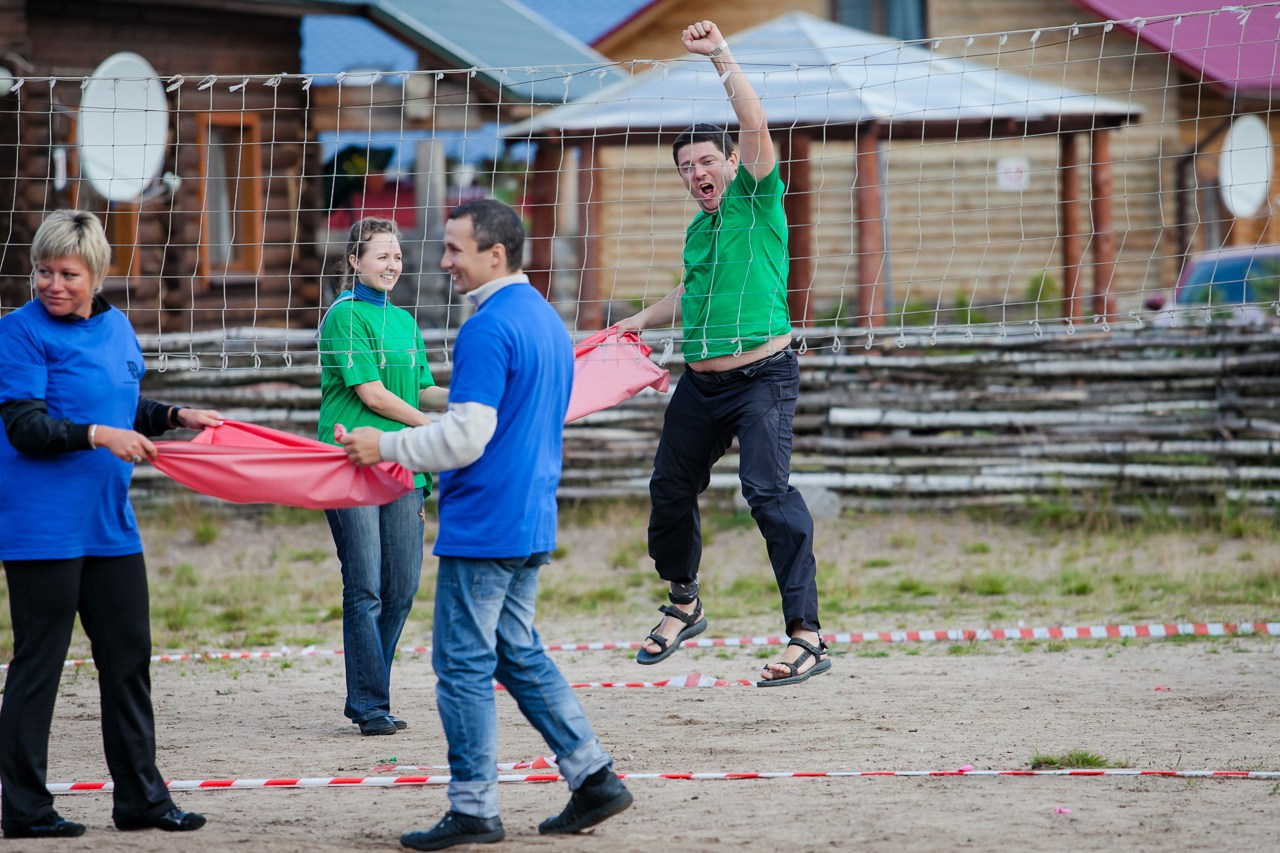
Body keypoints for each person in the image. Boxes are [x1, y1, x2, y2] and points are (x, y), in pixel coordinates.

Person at [340, 198, 632, 850]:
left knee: (462, 663)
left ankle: (473, 806)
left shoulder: (487, 327)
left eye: (453, 249)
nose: (442, 261)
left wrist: (379, 447)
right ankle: (593, 776)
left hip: (487, 522)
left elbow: (468, 438)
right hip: (530, 516)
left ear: (493, 255)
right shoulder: (545, 320)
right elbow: (506, 409)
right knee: (515, 651)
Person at [616, 20, 831, 687]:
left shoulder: (756, 197)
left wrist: (720, 58)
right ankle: (683, 600)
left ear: (731, 163)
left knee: (767, 493)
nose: (696, 173)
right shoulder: (699, 228)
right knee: (668, 491)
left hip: (764, 375)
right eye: (685, 167)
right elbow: (691, 294)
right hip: (700, 383)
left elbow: (755, 122)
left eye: (705, 160)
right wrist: (637, 321)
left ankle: (807, 635)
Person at [0, 210, 220, 838]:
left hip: (109, 524)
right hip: (42, 527)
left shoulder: (118, 328)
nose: (52, 283)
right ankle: (25, 809)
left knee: (128, 659)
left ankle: (141, 801)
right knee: (38, 664)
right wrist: (100, 436)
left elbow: (123, 408)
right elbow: (27, 427)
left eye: (67, 273)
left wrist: (177, 413)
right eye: (43, 271)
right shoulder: (17, 333)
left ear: (96, 273)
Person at [318, 217, 448, 737]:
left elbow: (423, 392)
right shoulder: (344, 317)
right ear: (354, 261)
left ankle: (374, 691)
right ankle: (369, 702)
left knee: (400, 589)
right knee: (365, 587)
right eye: (381, 256)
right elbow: (372, 395)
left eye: (397, 256)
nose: (391, 265)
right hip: (351, 463)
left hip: (402, 465)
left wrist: (477, 398)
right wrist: (436, 430)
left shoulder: (405, 321)